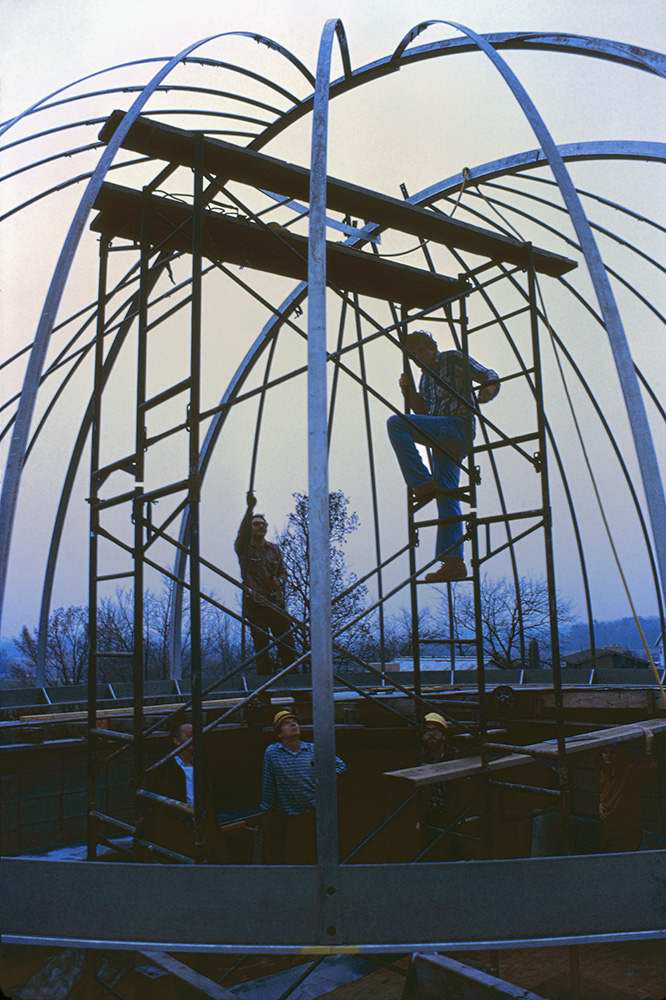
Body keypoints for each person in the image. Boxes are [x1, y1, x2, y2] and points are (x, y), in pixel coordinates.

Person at [387, 329, 500, 583]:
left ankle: (421, 483)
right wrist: (408, 393)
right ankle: (453, 562)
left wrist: (487, 391)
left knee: (397, 424)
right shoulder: (425, 378)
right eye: (414, 355)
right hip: (443, 435)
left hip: (455, 426)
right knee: (447, 494)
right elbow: (424, 411)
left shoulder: (452, 359)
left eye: (420, 351)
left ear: (432, 346)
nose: (418, 357)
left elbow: (488, 375)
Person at [260, 710, 347, 863]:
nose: (293, 724)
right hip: (291, 816)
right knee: (296, 857)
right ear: (279, 734)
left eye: (294, 721)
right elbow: (268, 781)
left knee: (321, 855)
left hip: (317, 813)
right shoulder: (272, 752)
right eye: (286, 723)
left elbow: (341, 766)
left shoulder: (313, 749)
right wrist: (265, 810)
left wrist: (321, 778)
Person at [135, 720, 225, 862]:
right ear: (176, 741)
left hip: (201, 821)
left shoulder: (203, 766)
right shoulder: (164, 768)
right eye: (189, 736)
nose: (193, 740)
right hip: (177, 825)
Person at [235, 492, 293, 676]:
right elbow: (242, 533)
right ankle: (264, 694)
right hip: (256, 605)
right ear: (250, 528)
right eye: (256, 524)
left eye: (263, 524)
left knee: (288, 647)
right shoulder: (243, 548)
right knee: (261, 649)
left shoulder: (274, 549)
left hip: (275, 604)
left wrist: (279, 582)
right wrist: (250, 508)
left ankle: (299, 691)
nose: (260, 526)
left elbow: (283, 573)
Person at [599, 732, 655, 852]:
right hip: (609, 826)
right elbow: (603, 791)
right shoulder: (605, 771)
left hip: (627, 826)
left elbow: (648, 766)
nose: (608, 756)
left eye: (612, 752)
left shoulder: (627, 770)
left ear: (618, 754)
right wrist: (601, 804)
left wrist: (649, 744)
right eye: (605, 752)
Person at [417, 712, 462, 860]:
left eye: (435, 730)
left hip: (452, 809)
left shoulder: (455, 755)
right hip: (429, 811)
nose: (431, 734)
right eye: (427, 731)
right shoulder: (420, 758)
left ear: (443, 734)